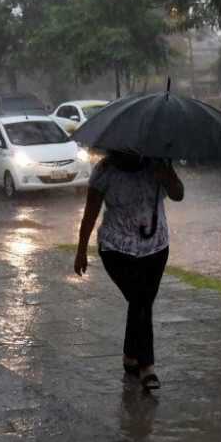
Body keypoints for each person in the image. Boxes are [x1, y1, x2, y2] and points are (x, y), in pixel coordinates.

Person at [74, 151, 184, 390]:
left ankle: (130, 356)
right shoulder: (104, 171)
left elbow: (178, 194)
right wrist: (81, 249)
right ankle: (147, 367)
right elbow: (90, 212)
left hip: (156, 248)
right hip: (116, 249)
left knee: (141, 303)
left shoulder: (157, 163)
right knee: (140, 300)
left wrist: (167, 175)